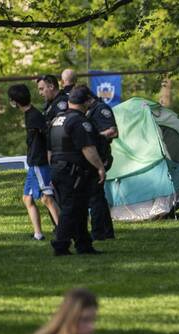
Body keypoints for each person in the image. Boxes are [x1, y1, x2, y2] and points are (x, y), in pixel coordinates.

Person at [48, 85, 106, 256]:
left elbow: (49, 149)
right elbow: (88, 149)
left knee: (79, 208)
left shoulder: (57, 120)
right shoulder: (79, 121)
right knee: (71, 208)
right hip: (73, 171)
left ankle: (83, 244)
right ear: (86, 101)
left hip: (59, 168)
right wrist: (100, 167)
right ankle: (60, 244)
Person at [7, 84, 60, 240]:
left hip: (39, 162)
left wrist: (48, 156)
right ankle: (38, 234)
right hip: (33, 162)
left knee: (47, 198)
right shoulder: (30, 114)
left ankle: (64, 231)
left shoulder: (34, 116)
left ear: (15, 101)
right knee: (27, 198)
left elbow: (47, 136)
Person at [85, 89, 118, 240]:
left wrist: (95, 136)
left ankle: (98, 232)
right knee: (98, 197)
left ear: (88, 99)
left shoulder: (101, 109)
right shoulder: (91, 110)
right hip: (95, 156)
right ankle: (106, 231)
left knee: (95, 197)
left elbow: (113, 131)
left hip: (101, 156)